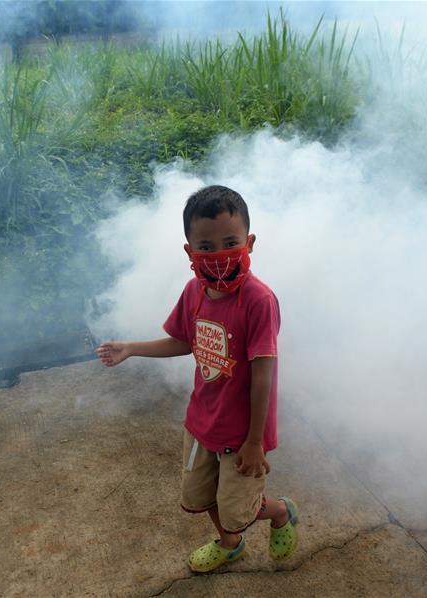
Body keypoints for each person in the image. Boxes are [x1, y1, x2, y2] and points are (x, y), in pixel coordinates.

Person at [96, 185, 298, 573]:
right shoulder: (194, 292)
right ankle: (230, 544)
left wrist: (255, 441)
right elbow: (183, 341)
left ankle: (279, 512)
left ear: (249, 243)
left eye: (230, 243)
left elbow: (263, 376)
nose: (219, 255)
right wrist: (132, 348)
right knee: (202, 495)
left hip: (242, 434)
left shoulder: (259, 301)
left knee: (240, 507)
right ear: (189, 251)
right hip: (202, 421)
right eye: (206, 247)